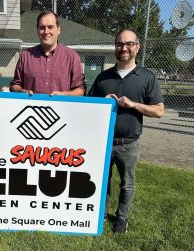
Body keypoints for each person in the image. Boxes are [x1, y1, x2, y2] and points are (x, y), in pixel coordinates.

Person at [88, 29, 164, 233]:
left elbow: (158, 110)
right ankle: (101, 213)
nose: (124, 48)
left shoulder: (146, 77)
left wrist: (133, 105)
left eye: (129, 44)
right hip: (103, 141)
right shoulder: (103, 77)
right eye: (120, 44)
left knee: (127, 183)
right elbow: (87, 106)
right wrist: (100, 103)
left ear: (137, 47)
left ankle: (122, 217)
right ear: (115, 47)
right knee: (102, 180)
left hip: (128, 143)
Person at [10, 10, 85, 95]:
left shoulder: (72, 57)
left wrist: (64, 95)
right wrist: (22, 91)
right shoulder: (25, 56)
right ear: (37, 30)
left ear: (59, 29)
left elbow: (80, 89)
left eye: (50, 27)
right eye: (42, 27)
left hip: (60, 108)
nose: (46, 32)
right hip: (31, 107)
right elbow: (15, 85)